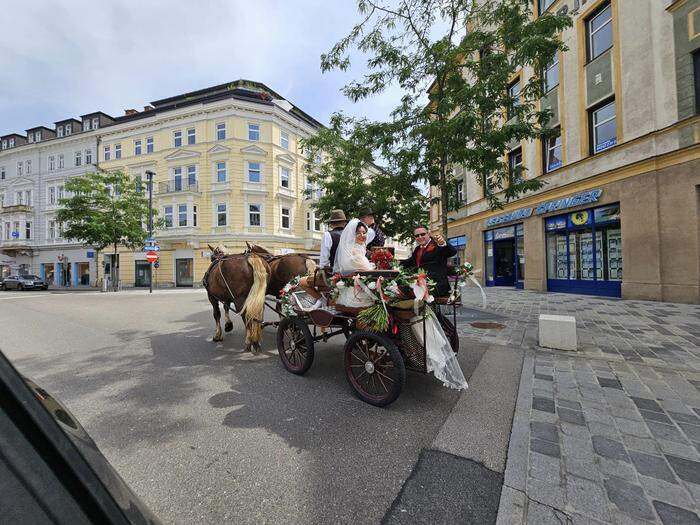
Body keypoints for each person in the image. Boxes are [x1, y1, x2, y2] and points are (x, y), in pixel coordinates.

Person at [401, 224, 457, 297]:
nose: (420, 237)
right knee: (401, 290)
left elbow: (452, 252)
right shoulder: (417, 249)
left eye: (422, 234)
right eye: (417, 236)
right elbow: (409, 262)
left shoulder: (437, 245)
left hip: (437, 285)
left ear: (429, 234)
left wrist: (443, 243)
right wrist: (393, 263)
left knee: (415, 294)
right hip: (420, 283)